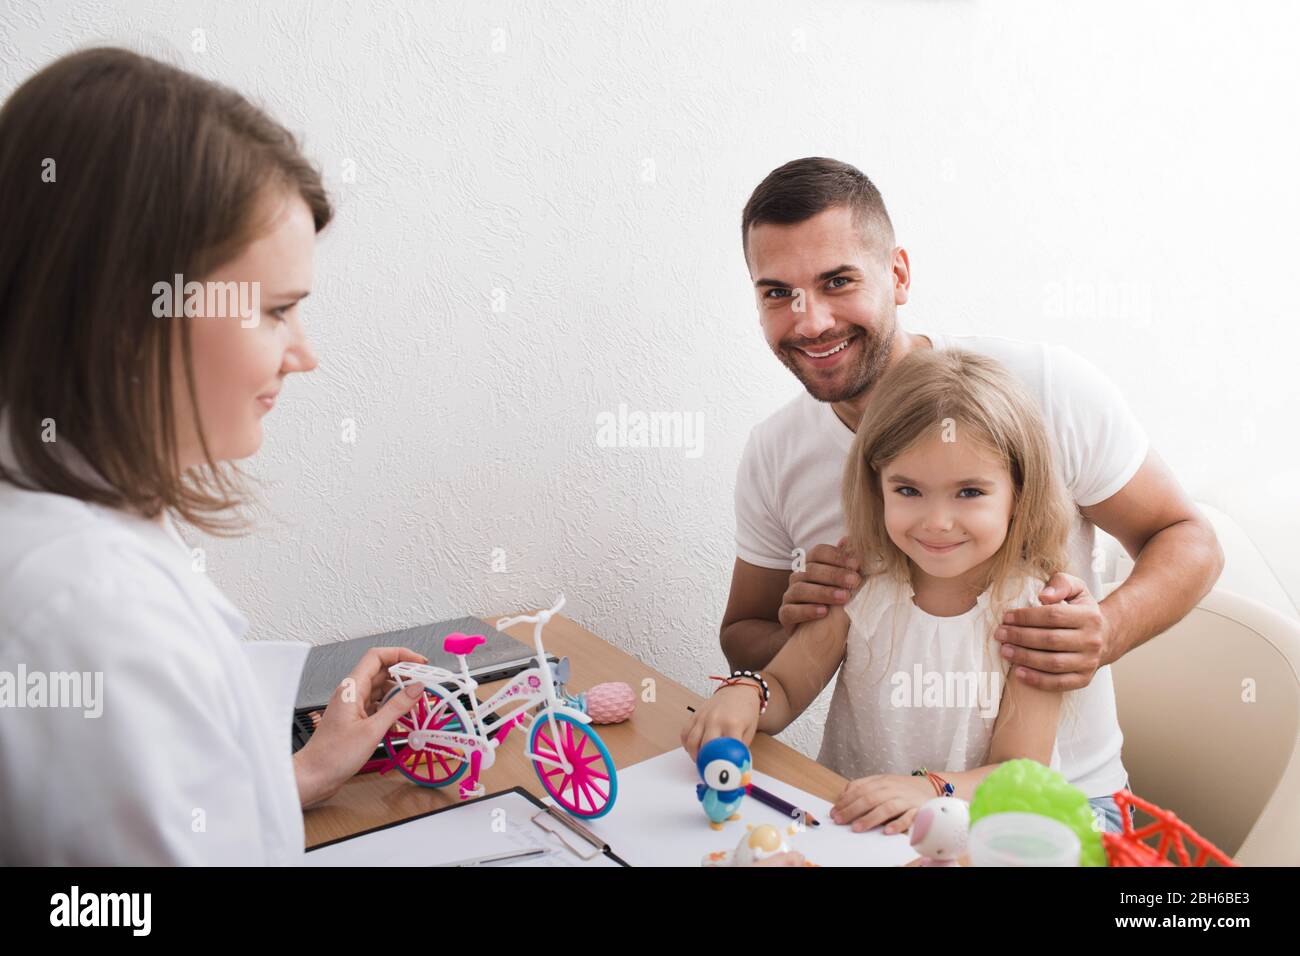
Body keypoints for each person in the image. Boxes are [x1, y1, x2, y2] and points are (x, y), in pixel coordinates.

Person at [0, 47, 424, 864]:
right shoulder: (92, 612)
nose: (305, 354)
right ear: (129, 313)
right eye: (275, 312)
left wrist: (291, 776)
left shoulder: (64, 523)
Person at [722, 157, 1223, 698]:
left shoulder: (1045, 387)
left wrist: (1108, 631)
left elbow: (1190, 540)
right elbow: (743, 638)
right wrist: (800, 631)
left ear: (898, 276)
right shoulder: (775, 450)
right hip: (875, 782)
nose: (811, 321)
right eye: (777, 293)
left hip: (1057, 782)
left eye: (838, 282)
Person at [688, 348, 1133, 832]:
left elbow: (1017, 774)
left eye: (969, 492)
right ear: (876, 486)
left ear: (1019, 493)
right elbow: (788, 687)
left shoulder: (1032, 613)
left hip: (968, 837)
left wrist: (928, 789)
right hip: (856, 828)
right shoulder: (861, 581)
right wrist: (749, 692)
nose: (937, 523)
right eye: (908, 490)